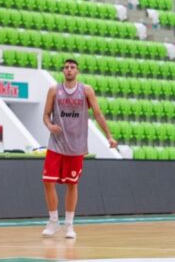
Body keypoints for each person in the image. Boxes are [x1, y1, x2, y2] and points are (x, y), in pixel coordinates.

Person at [41, 59, 117, 239]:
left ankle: (69, 225)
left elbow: (98, 114)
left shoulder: (86, 90)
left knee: (72, 184)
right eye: (66, 67)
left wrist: (109, 135)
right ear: (63, 71)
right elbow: (45, 115)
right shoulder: (54, 90)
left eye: (72, 67)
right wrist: (50, 126)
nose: (69, 70)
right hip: (56, 144)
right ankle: (53, 221)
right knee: (47, 181)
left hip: (76, 146)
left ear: (77, 71)